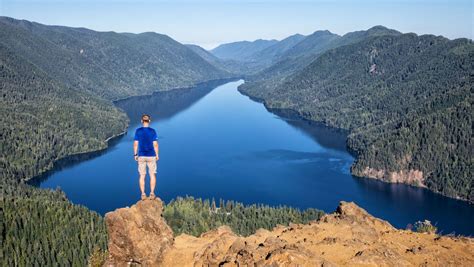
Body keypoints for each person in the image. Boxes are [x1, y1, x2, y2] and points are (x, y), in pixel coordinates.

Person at [133, 114, 159, 200]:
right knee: (152, 175)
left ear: (141, 121)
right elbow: (155, 144)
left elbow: (135, 144)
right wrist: (157, 155)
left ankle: (143, 194)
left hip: (141, 156)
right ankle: (152, 194)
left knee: (142, 175)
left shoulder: (138, 131)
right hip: (151, 156)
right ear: (149, 121)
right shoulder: (153, 131)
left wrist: (135, 154)